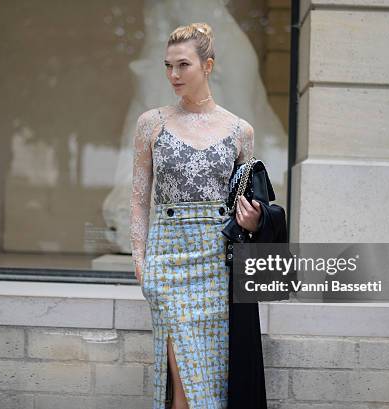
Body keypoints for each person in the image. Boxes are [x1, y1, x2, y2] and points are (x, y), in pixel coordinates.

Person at [130, 22, 267, 409]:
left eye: (183, 65)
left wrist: (253, 221)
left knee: (211, 378)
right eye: (168, 66)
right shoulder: (150, 124)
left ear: (208, 66)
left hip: (216, 264)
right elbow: (139, 198)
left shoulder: (240, 130)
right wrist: (140, 261)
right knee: (180, 382)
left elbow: (249, 199)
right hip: (168, 259)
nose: (173, 75)